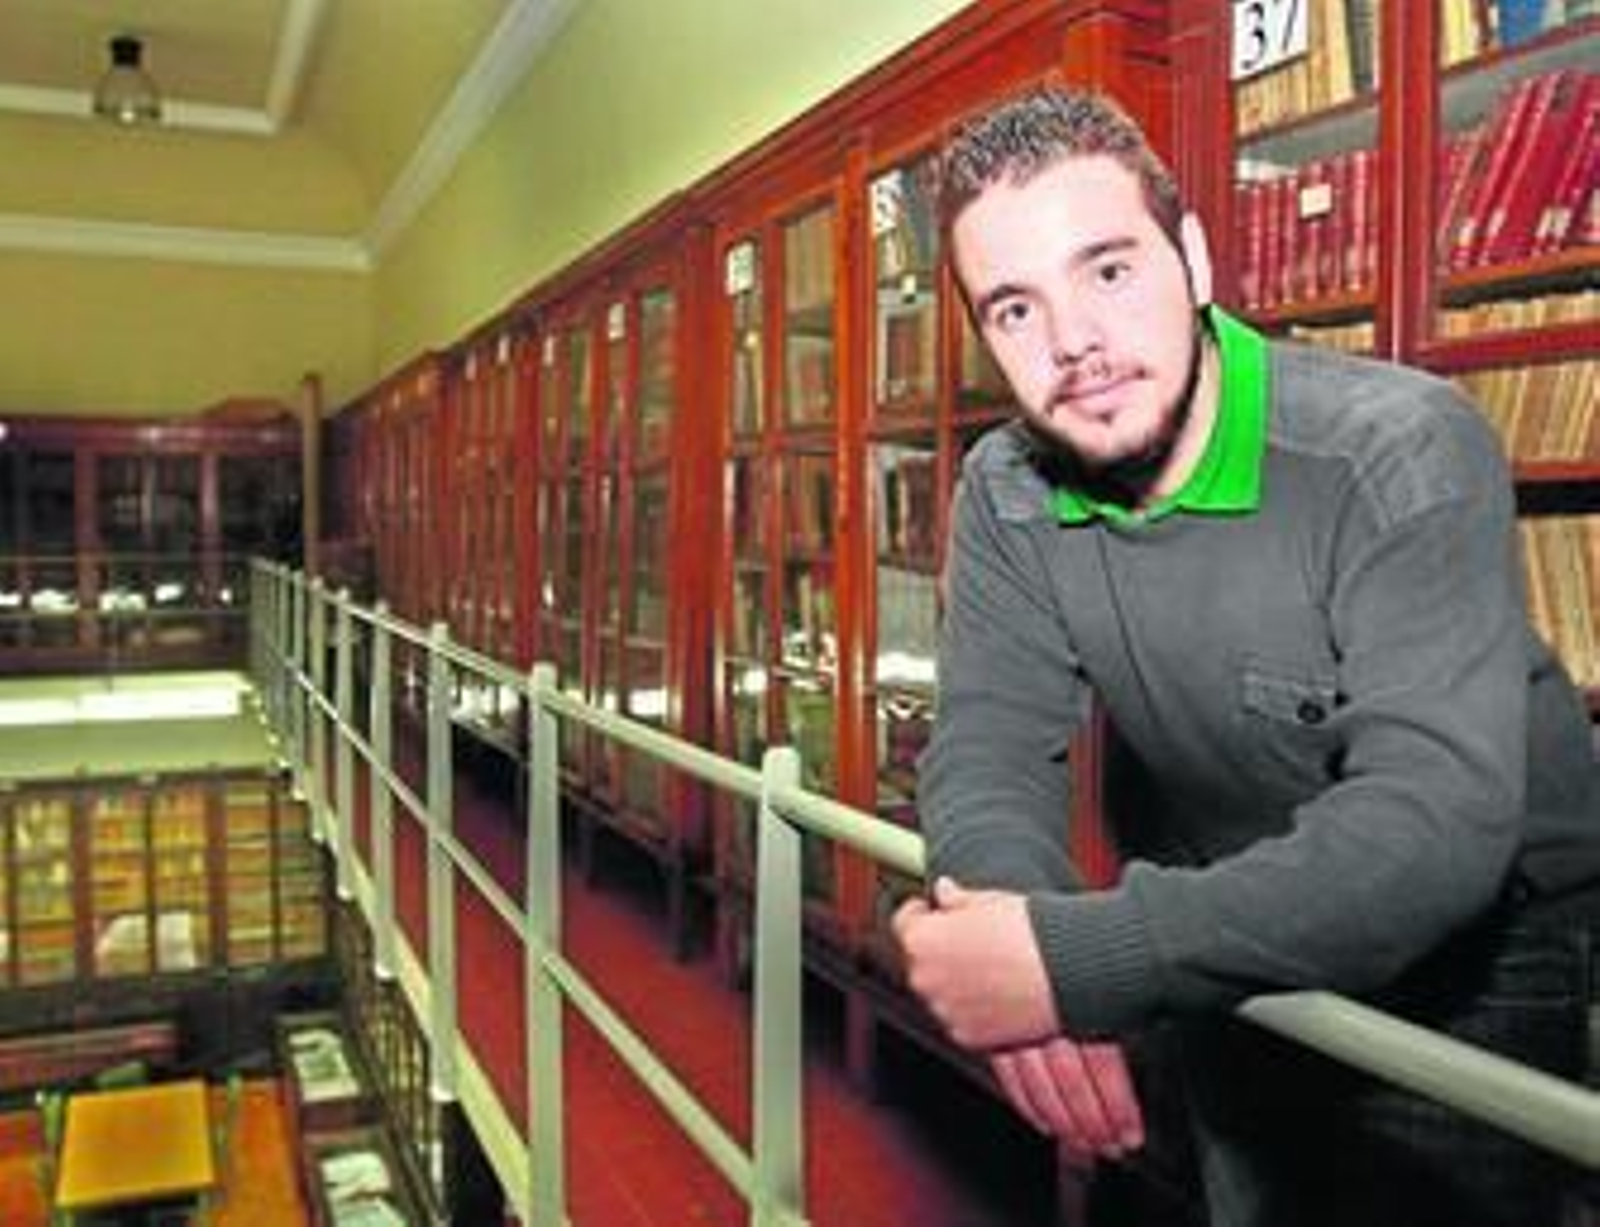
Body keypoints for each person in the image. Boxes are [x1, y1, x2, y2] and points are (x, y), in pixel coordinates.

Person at [891, 85, 1598, 1227]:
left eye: (1109, 271)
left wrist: (1070, 963)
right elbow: (986, 743)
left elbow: (1432, 830)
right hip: (1223, 902)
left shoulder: (1397, 448)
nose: (1074, 341)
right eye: (1014, 310)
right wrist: (1020, 938)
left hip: (1482, 944)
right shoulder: (1009, 491)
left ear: (1196, 261)